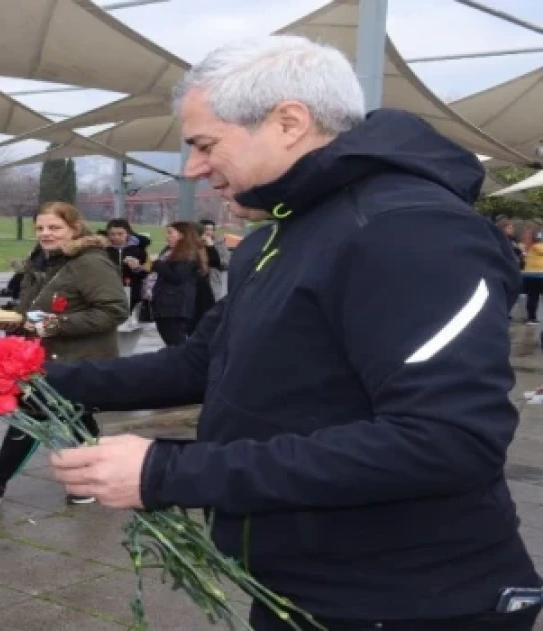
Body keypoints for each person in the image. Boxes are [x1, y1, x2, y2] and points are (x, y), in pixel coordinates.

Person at [45, 36, 540, 630]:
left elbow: (446, 442)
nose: (193, 168)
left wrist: (168, 472)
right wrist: (38, 381)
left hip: (412, 602)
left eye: (205, 144)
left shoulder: (409, 231)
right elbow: (202, 363)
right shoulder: (281, 235)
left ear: (289, 122)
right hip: (303, 588)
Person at [0, 202, 127, 507]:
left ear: (75, 229)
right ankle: (92, 481)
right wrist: (12, 318)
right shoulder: (43, 261)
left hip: (76, 361)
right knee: (76, 420)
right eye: (40, 228)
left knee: (33, 415)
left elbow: (114, 311)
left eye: (55, 227)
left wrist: (52, 324)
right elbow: (33, 309)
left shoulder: (90, 263)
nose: (46, 233)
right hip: (42, 357)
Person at [147, 221, 205, 346]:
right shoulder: (170, 252)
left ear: (182, 235)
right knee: (171, 341)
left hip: (175, 306)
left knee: (176, 341)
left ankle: (185, 359)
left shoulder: (188, 254)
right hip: (166, 305)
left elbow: (177, 276)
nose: (167, 236)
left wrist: (157, 262)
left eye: (170, 233)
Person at [105, 219, 149, 320]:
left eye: (120, 234)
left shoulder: (139, 250)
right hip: (108, 291)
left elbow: (148, 273)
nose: (116, 237)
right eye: (112, 234)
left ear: (128, 234)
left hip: (133, 292)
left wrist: (137, 268)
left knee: (129, 320)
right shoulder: (102, 249)